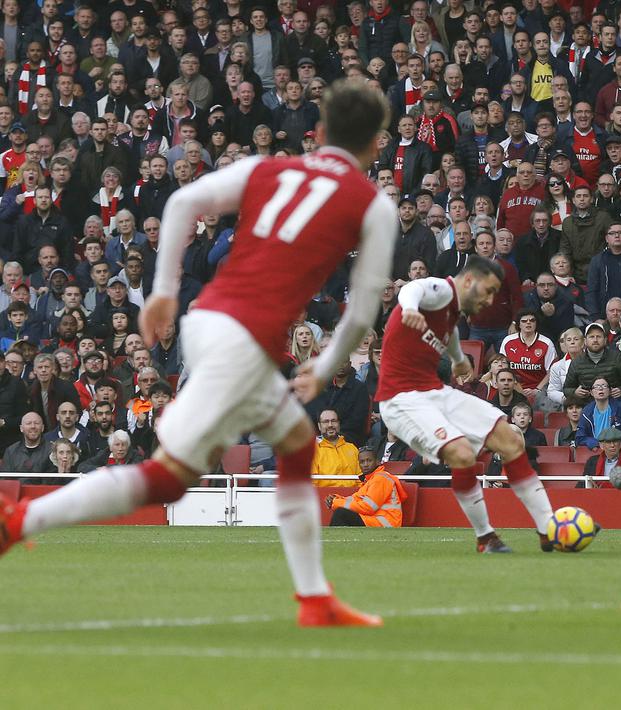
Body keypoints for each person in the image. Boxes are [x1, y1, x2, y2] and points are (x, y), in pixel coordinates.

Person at [0, 81, 396, 627]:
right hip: (242, 343)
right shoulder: (373, 205)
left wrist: (164, 291)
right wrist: (325, 366)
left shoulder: (270, 168)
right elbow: (362, 312)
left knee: (297, 444)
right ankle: (18, 521)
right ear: (376, 144)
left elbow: (184, 200)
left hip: (209, 320)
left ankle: (314, 598)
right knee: (168, 479)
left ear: (320, 132)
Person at [375, 258, 557, 554]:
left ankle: (549, 529)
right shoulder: (441, 291)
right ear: (470, 281)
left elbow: (450, 333)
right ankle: (486, 537)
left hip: (433, 391)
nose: (489, 301)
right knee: (461, 453)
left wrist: (458, 358)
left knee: (510, 439)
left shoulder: (452, 312)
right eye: (489, 291)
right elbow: (414, 289)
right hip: (400, 398)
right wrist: (408, 309)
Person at [325, 447, 410, 527]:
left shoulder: (380, 479)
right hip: (376, 520)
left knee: (341, 513)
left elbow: (368, 508)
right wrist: (336, 499)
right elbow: (355, 499)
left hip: (385, 523)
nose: (365, 464)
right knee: (341, 512)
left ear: (378, 462)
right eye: (362, 462)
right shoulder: (369, 480)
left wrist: (337, 503)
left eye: (369, 460)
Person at [310, 408, 361, 487]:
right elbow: (312, 484)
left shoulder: (352, 448)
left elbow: (361, 480)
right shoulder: (313, 451)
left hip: (354, 494)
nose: (330, 425)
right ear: (319, 426)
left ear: (339, 424)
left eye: (333, 421)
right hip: (325, 494)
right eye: (326, 422)